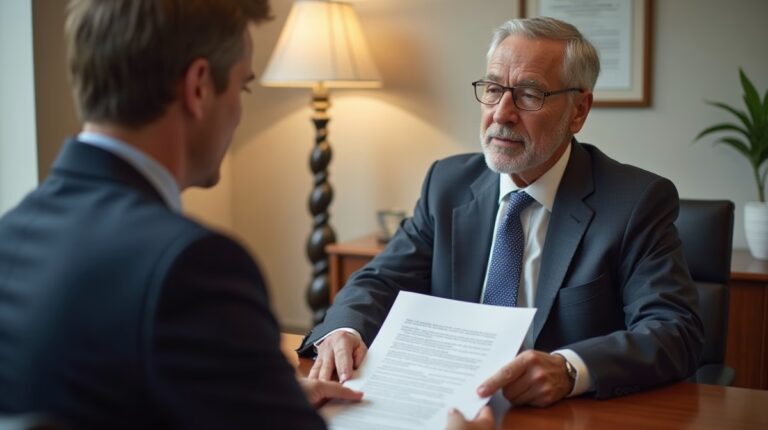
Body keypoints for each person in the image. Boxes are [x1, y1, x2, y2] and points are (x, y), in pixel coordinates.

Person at [300, 16, 704, 407]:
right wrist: (345, 329)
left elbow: (674, 330)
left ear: (578, 111)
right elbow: (381, 279)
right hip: (448, 404)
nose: (501, 113)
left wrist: (569, 369)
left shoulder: (635, 202)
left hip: (562, 414)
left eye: (529, 95)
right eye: (493, 89)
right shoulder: (448, 184)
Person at [0, 1, 366, 428]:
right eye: (243, 87)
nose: (239, 112)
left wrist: (261, 394)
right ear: (199, 87)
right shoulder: (192, 264)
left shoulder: (12, 233)